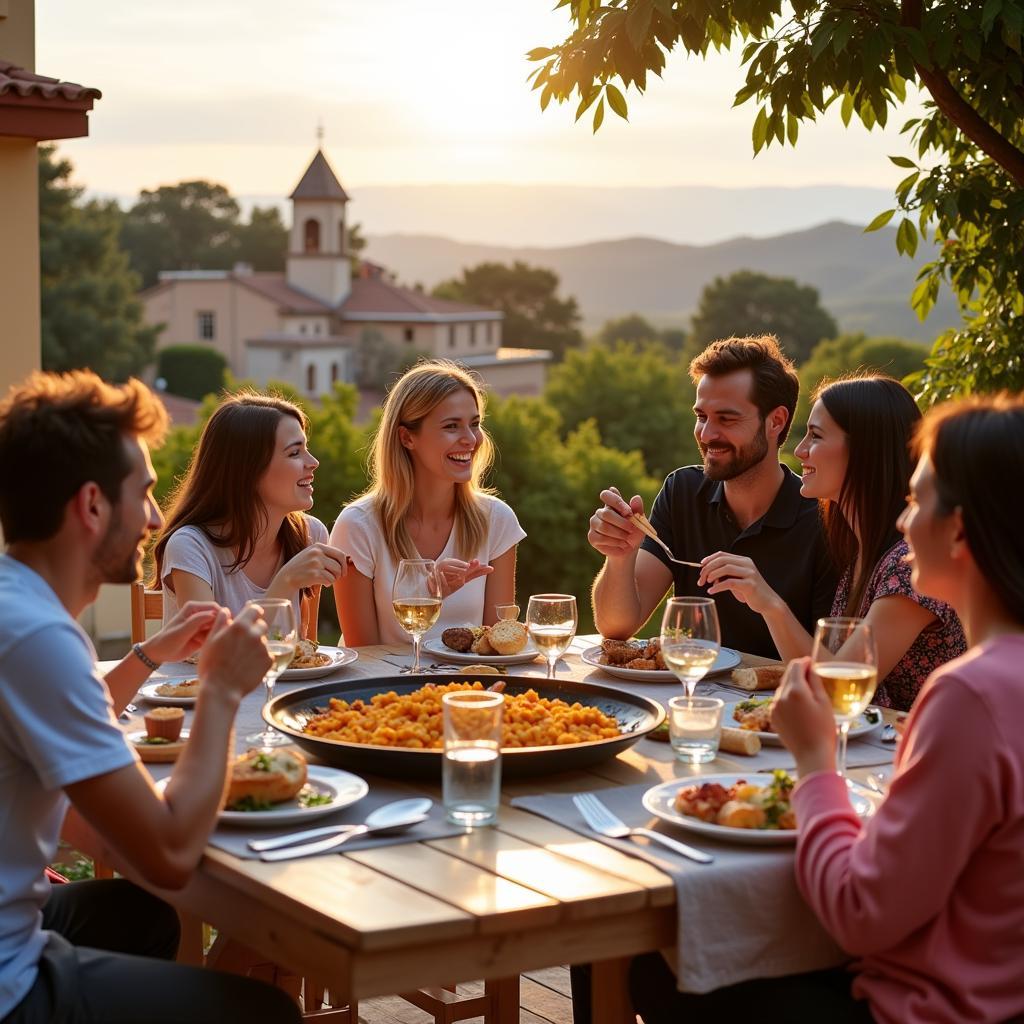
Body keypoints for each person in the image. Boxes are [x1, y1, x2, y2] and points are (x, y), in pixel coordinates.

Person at [630, 394, 1024, 1024]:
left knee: (657, 966)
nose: (903, 521)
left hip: (928, 1006)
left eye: (919, 500)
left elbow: (862, 914)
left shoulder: (971, 695)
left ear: (959, 529)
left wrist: (815, 763)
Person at [0, 370, 300, 1023]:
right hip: (8, 981)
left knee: (143, 918)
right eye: (146, 495)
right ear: (91, 506)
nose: (158, 519)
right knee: (266, 1012)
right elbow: (166, 855)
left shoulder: (14, 605)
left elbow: (67, 749)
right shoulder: (38, 638)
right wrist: (220, 690)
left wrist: (148, 654)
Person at [699, 375, 965, 710]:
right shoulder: (860, 553)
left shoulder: (908, 565)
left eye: (816, 436)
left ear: (865, 451)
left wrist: (770, 604)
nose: (799, 450)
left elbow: (837, 692)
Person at [588, 335, 836, 659]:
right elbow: (617, 627)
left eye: (726, 419)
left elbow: (831, 674)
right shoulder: (683, 491)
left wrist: (769, 603)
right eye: (701, 416)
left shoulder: (825, 519)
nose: (706, 435)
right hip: (692, 700)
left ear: (776, 421)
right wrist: (619, 555)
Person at [331, 360, 525, 645]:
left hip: (469, 687)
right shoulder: (358, 526)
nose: (470, 439)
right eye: (451, 426)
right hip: (385, 688)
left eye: (475, 424)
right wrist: (426, 595)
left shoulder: (497, 520)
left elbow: (497, 645)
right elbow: (364, 658)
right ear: (407, 437)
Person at [153, 391, 349, 640]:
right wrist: (285, 581)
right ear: (248, 470)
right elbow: (217, 655)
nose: (313, 462)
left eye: (306, 449)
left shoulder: (311, 534)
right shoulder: (190, 546)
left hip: (280, 680)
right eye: (294, 453)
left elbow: (305, 653)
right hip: (203, 680)